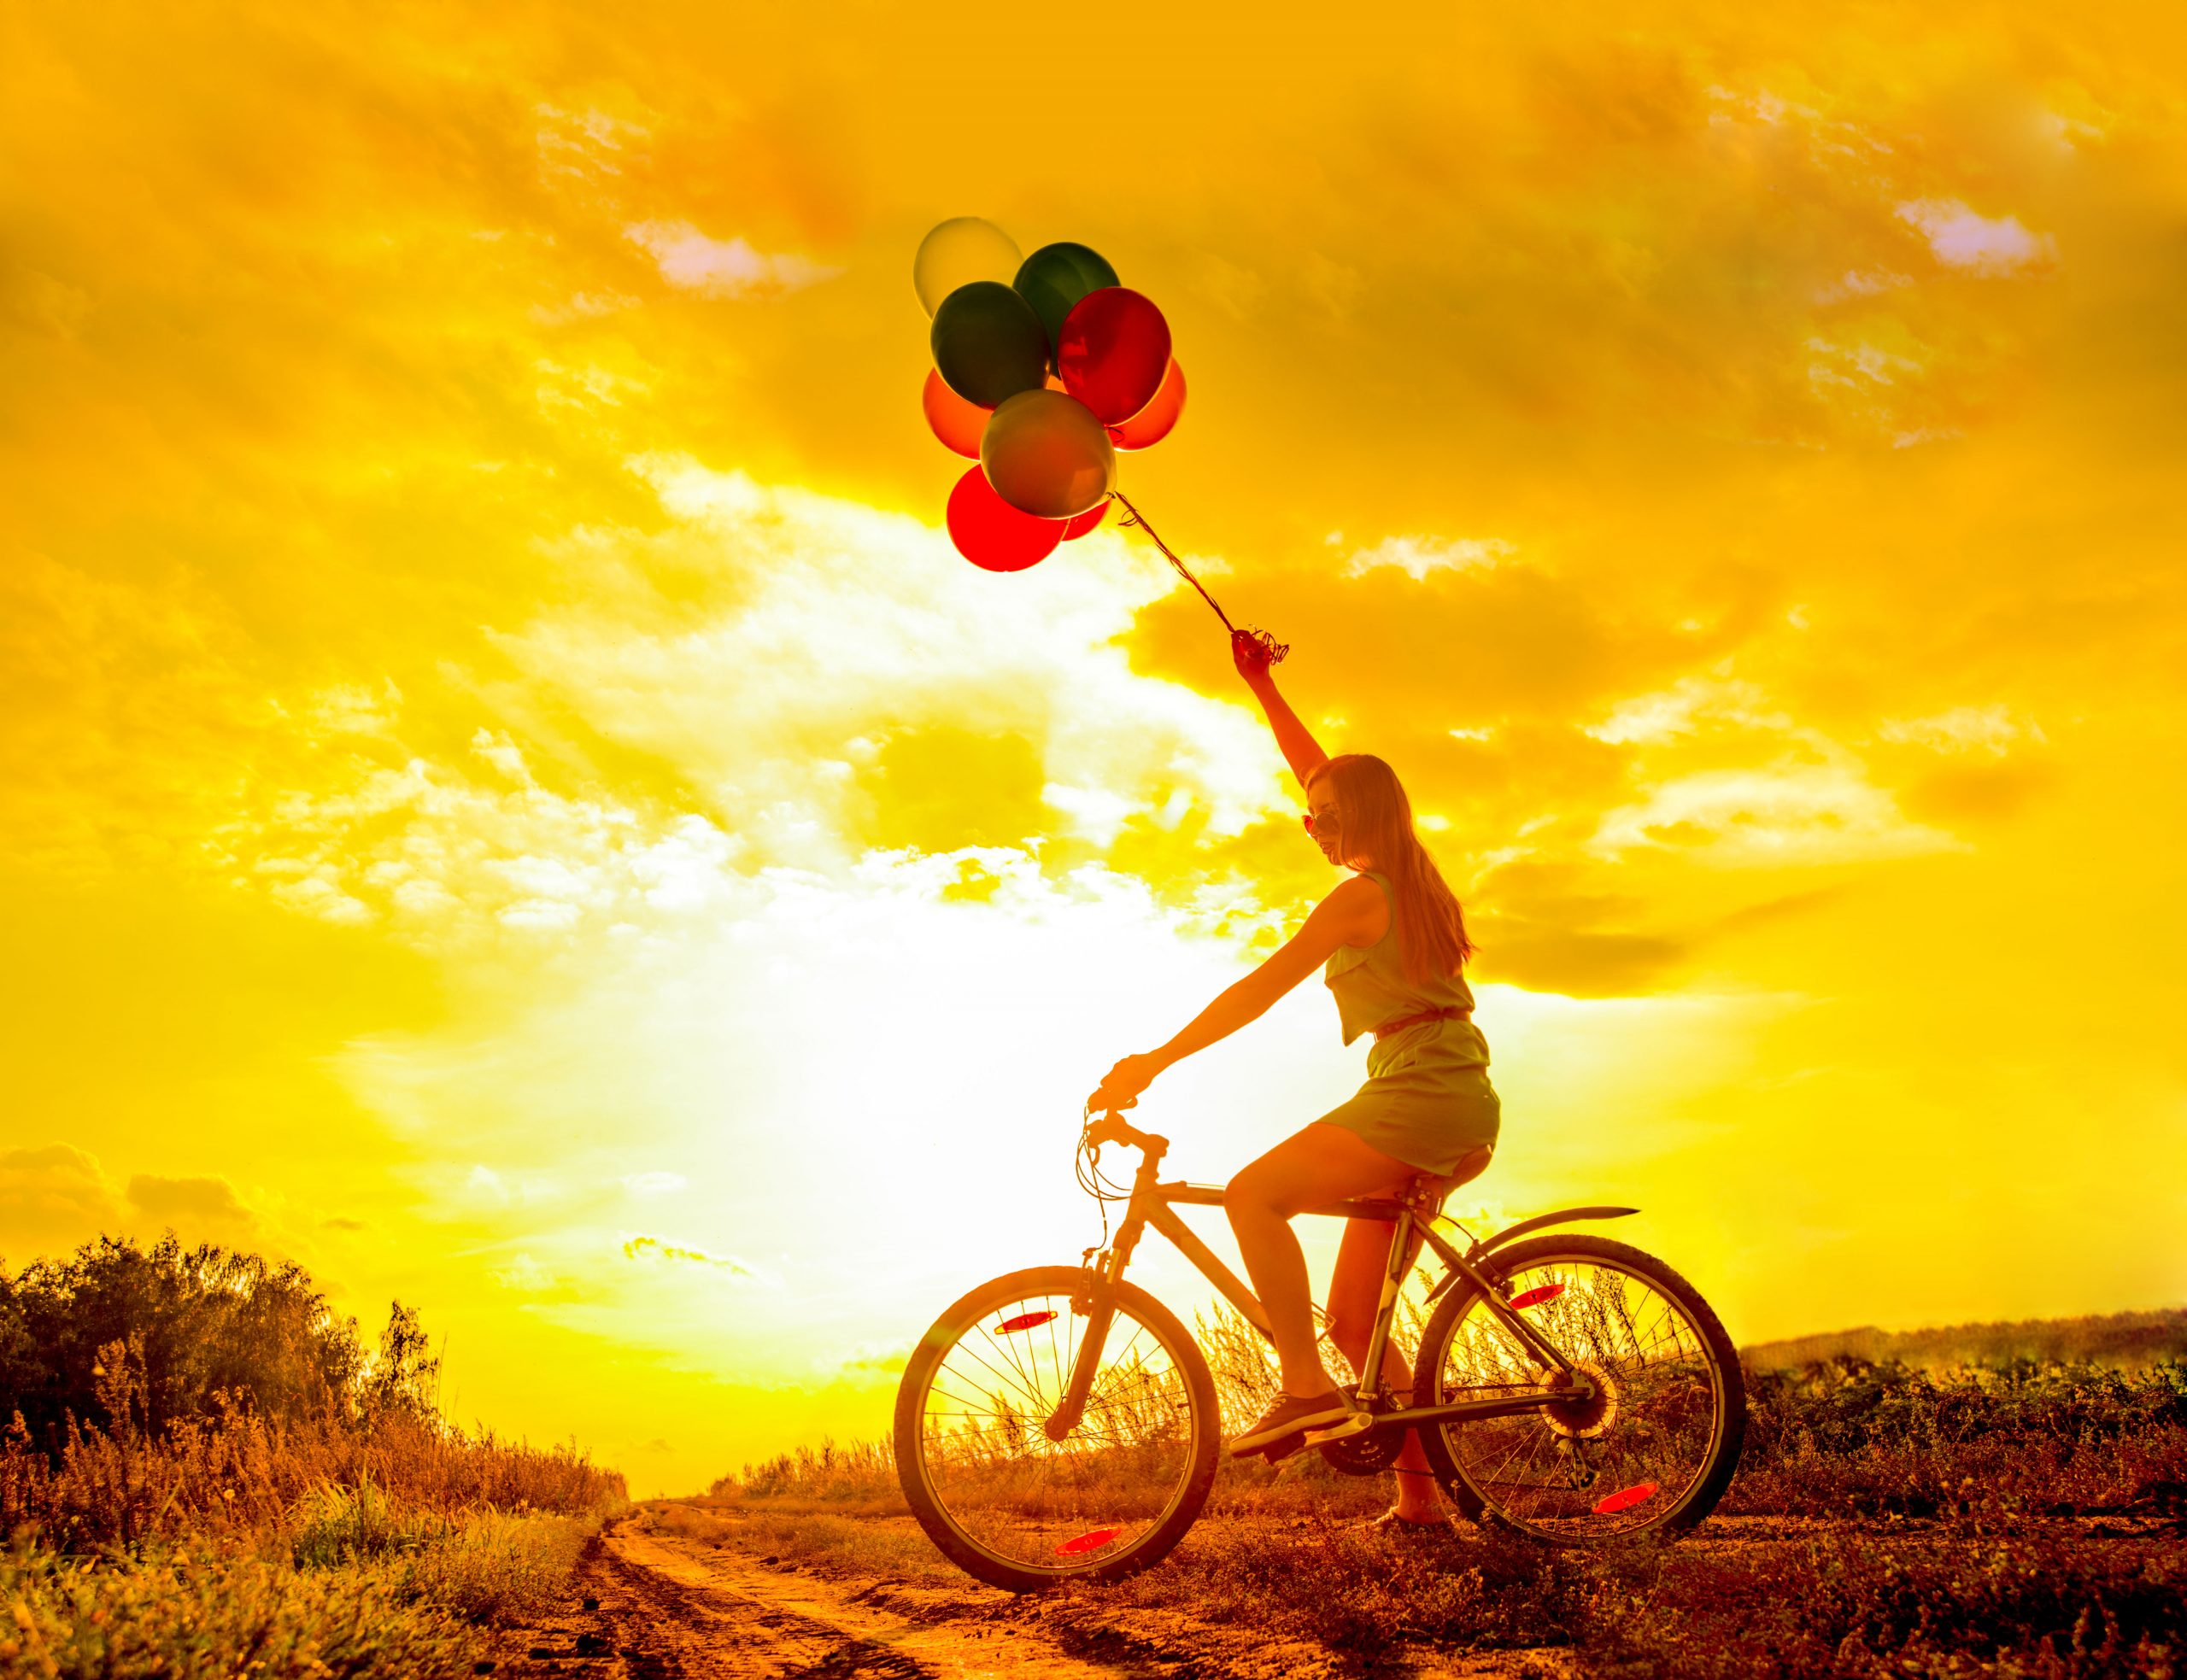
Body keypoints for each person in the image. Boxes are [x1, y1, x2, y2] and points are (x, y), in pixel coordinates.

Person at [1086, 629, 1501, 1531]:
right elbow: (1322, 774)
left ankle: (1302, 1387)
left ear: (1354, 819)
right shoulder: (1406, 872)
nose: (1307, 822)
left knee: (1253, 1192)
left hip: (1420, 1093)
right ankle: (1420, 1504)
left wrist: (1154, 1059)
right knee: (1356, 1325)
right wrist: (1260, 685)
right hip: (1442, 1090)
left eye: (1321, 815)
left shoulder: (1360, 893)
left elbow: (1259, 989)